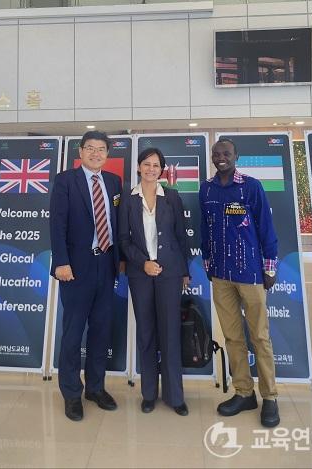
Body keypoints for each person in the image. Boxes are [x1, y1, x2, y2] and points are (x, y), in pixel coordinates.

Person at [199, 136, 280, 428]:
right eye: (216, 153)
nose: (221, 157)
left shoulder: (251, 186)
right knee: (233, 337)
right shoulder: (206, 188)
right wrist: (208, 263)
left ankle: (270, 397)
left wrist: (270, 268)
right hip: (221, 276)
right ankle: (244, 392)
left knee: (259, 337)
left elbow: (267, 229)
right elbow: (204, 230)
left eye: (226, 153)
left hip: (251, 274)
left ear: (236, 156)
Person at [50, 130, 122, 422]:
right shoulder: (65, 180)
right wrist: (61, 262)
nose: (95, 153)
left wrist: (121, 260)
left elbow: (117, 223)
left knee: (101, 330)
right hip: (76, 268)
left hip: (106, 264)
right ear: (80, 152)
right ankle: (71, 393)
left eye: (101, 149)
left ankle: (95, 388)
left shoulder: (114, 182)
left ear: (107, 154)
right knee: (73, 332)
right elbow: (57, 223)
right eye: (90, 148)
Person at [119, 147, 190, 416]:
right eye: (146, 164)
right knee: (146, 333)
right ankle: (149, 393)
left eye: (156, 165)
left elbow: (181, 237)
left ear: (162, 170)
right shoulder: (128, 199)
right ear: (139, 167)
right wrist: (143, 263)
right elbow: (123, 240)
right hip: (140, 275)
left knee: (170, 333)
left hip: (170, 274)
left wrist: (184, 271)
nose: (151, 169)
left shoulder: (171, 197)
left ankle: (175, 396)